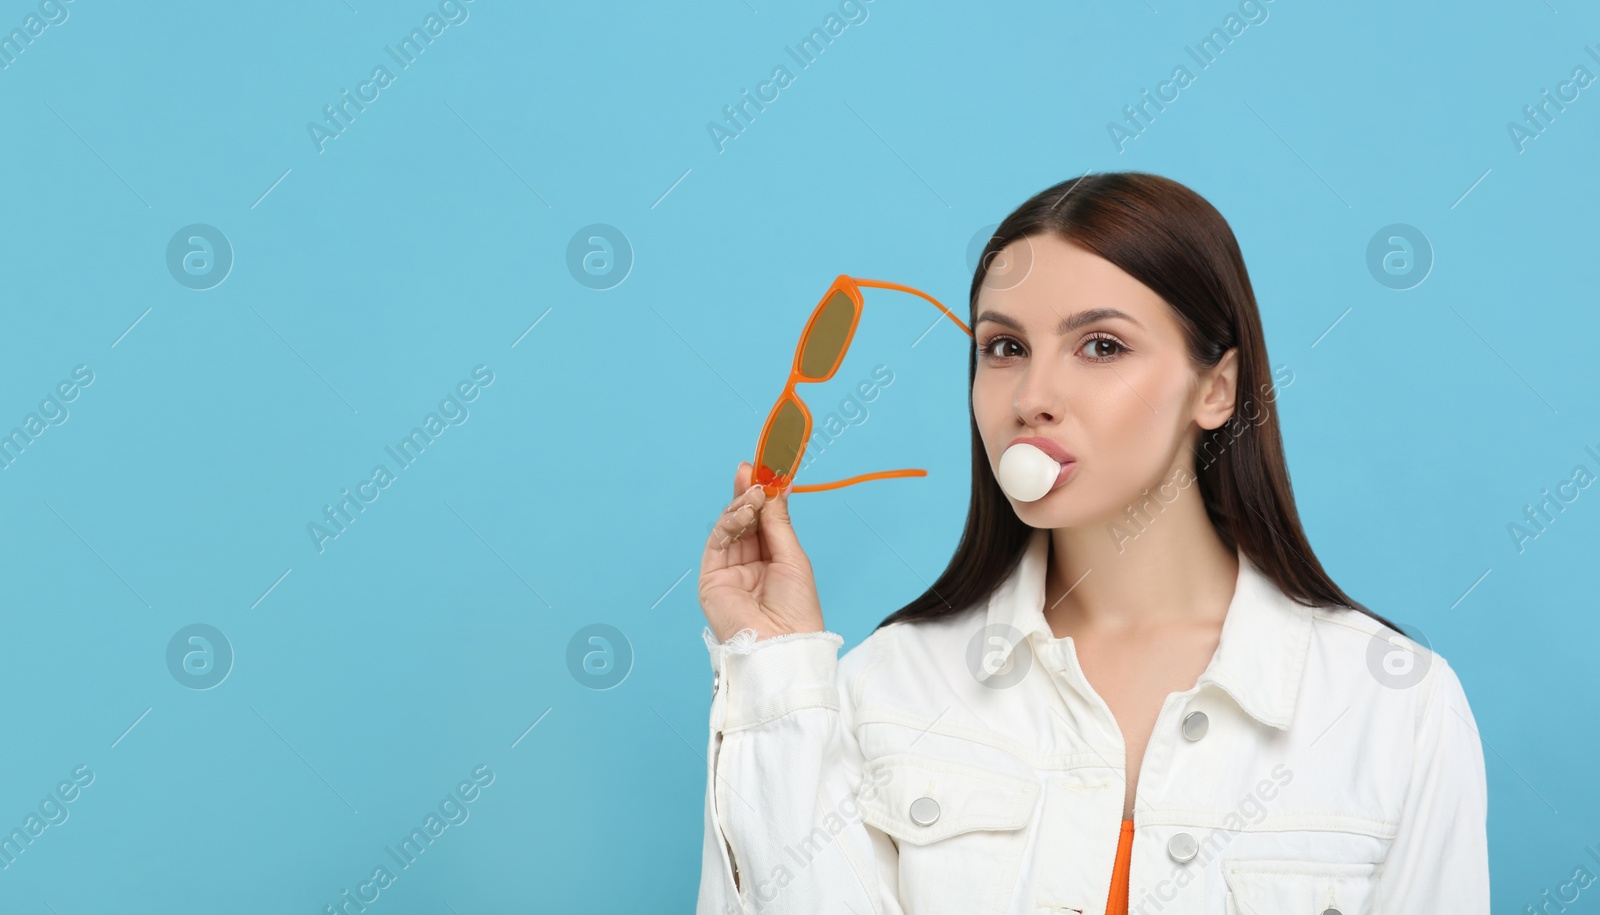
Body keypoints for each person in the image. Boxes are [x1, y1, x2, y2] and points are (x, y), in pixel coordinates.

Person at [693, 172, 1489, 915]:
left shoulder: (1394, 706)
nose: (1034, 397)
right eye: (1004, 348)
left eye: (1101, 346)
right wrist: (776, 675)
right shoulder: (882, 689)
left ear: (1216, 389)